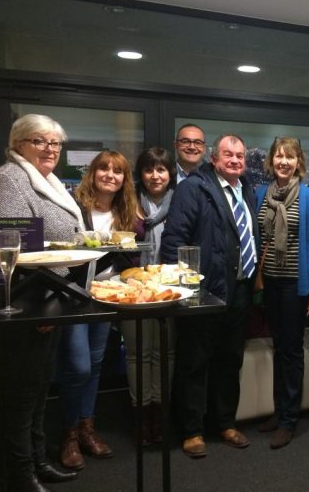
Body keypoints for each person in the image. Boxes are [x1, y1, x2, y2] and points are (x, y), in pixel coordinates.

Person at [0, 114, 81, 492]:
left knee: (40, 386)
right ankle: (19, 473)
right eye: (40, 141)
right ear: (18, 144)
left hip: (51, 298)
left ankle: (38, 459)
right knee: (20, 393)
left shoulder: (46, 180)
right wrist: (38, 305)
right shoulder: (9, 179)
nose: (50, 149)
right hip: (29, 300)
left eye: (56, 143)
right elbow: (14, 250)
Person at [161, 134, 258, 458]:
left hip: (240, 289)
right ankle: (191, 430)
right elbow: (174, 240)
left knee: (230, 360)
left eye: (240, 155)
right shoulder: (194, 187)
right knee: (194, 362)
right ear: (214, 159)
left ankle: (225, 422)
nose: (235, 160)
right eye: (228, 154)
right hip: (203, 292)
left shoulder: (246, 189)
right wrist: (186, 291)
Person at [59, 150, 143, 471]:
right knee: (77, 367)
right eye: (104, 169)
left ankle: (86, 429)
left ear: (124, 179)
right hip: (75, 296)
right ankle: (68, 433)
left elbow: (127, 257)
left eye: (118, 171)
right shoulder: (75, 207)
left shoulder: (125, 212)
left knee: (95, 364)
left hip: (108, 297)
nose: (110, 175)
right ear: (93, 173)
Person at [255, 137, 309, 449]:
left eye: (290, 157)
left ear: (299, 162)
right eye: (279, 156)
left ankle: (289, 418)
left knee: (292, 351)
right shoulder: (260, 194)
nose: (283, 162)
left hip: (296, 286)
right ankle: (278, 409)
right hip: (268, 283)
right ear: (271, 161)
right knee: (278, 347)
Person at [119, 147, 177, 446]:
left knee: (164, 352)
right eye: (149, 170)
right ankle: (141, 416)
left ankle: (160, 413)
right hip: (133, 287)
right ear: (140, 174)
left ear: (170, 173)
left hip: (169, 287)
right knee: (138, 354)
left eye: (162, 170)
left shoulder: (180, 201)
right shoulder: (127, 202)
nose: (156, 176)